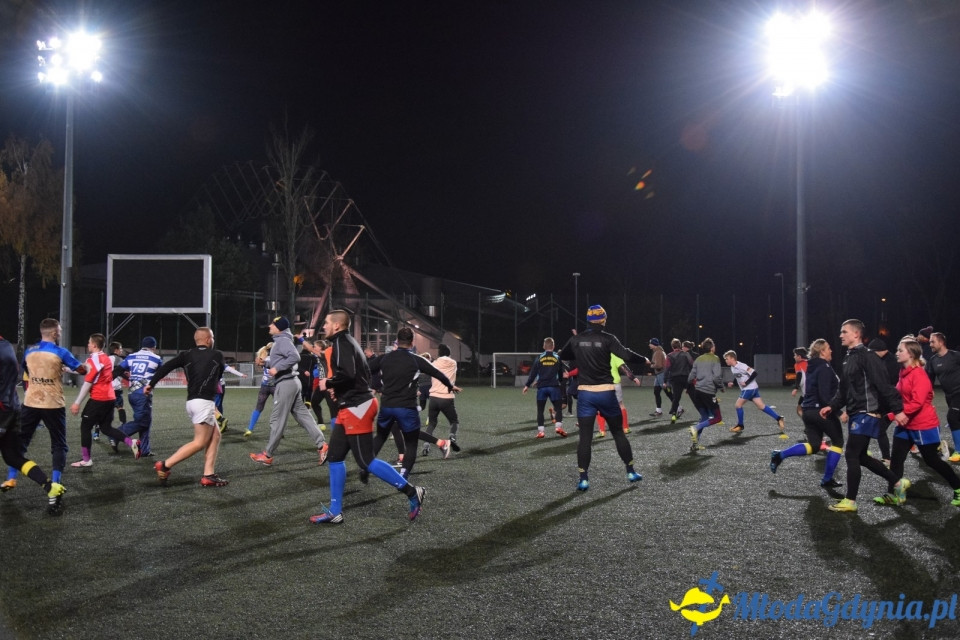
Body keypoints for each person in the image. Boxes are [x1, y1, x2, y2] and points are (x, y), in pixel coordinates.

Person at [310, 309, 425, 524]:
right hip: (350, 406)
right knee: (334, 457)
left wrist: (329, 383)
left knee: (366, 460)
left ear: (336, 325)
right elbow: (354, 374)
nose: (323, 326)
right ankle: (335, 511)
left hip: (358, 407)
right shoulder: (344, 342)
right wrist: (339, 388)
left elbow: (349, 374)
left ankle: (412, 491)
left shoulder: (342, 343)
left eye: (326, 323)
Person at [557, 305, 646, 491]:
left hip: (586, 395)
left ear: (588, 320)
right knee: (618, 433)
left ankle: (583, 479)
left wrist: (579, 352)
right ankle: (630, 471)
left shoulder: (577, 339)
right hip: (606, 393)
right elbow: (627, 355)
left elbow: (562, 355)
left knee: (585, 438)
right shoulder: (608, 338)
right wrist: (644, 359)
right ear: (603, 320)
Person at [820, 319, 905, 512]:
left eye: (844, 332)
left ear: (856, 334)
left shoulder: (868, 356)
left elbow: (884, 385)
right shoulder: (848, 357)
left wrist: (897, 410)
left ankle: (850, 501)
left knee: (851, 454)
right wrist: (831, 406)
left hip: (867, 412)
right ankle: (898, 483)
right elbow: (844, 389)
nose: (841, 335)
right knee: (861, 457)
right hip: (856, 412)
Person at [873, 337, 960, 507]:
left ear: (911, 354)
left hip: (923, 424)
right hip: (906, 424)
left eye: (900, 350)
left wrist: (893, 415)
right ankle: (895, 494)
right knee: (896, 460)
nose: (896, 353)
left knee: (932, 461)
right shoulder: (903, 373)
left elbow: (917, 402)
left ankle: (958, 487)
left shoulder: (919, 374)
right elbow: (899, 397)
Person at [3, 318, 86, 491]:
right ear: (55, 333)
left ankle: (11, 478)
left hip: (30, 402)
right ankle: (55, 482)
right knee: (58, 444)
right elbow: (81, 370)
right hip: (52, 404)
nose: (61, 332)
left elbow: (27, 370)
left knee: (20, 442)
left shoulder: (29, 351)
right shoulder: (61, 352)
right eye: (60, 330)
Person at [367, 327, 459, 480]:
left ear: (397, 340)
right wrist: (450, 386)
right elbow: (437, 373)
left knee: (383, 436)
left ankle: (367, 466)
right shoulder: (416, 359)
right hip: (405, 407)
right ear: (412, 342)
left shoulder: (385, 357)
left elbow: (366, 370)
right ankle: (405, 472)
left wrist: (372, 386)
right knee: (410, 439)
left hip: (388, 406)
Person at [145, 327, 228, 487]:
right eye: (212, 337)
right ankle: (165, 464)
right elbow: (219, 375)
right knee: (199, 442)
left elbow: (165, 368)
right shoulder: (217, 355)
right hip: (204, 402)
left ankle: (208, 474)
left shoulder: (186, 354)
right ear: (208, 339)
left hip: (192, 402)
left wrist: (151, 384)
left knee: (215, 435)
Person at [0, 333, 66, 514]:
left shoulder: (24, 351)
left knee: (16, 453)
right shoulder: (6, 346)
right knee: (12, 456)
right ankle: (49, 486)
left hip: (4, 409)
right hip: (14, 407)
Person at [249, 317, 328, 467]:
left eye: (273, 324)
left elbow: (295, 357)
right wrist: (266, 362)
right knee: (304, 417)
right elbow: (281, 359)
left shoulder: (282, 340)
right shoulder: (282, 340)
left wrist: (276, 369)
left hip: (285, 383)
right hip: (292, 382)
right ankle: (322, 445)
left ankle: (267, 455)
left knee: (276, 420)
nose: (270, 326)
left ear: (279, 327)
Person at [769, 339, 844, 488]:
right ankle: (827, 479)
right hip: (820, 411)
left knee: (814, 445)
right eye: (828, 348)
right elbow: (824, 395)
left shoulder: (813, 366)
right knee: (838, 442)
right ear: (822, 351)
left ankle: (780, 455)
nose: (831, 351)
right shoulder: (824, 367)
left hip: (808, 412)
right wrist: (838, 411)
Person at [69, 333, 141, 467]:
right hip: (110, 397)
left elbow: (88, 381)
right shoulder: (104, 358)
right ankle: (132, 443)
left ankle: (86, 460)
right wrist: (65, 369)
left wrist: (77, 402)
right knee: (106, 428)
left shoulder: (94, 359)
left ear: (94, 345)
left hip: (99, 398)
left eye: (89, 343)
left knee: (85, 426)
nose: (88, 344)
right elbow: (84, 370)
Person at [114, 336, 163, 458]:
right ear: (154, 347)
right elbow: (162, 372)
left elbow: (118, 370)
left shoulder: (131, 356)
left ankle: (145, 450)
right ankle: (115, 434)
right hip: (143, 393)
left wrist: (129, 378)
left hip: (132, 392)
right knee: (143, 422)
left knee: (147, 420)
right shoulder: (156, 359)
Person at [723, 350, 786, 437]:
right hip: (751, 389)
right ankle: (779, 418)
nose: (725, 360)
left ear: (732, 358)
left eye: (727, 359)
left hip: (749, 388)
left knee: (738, 405)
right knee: (761, 406)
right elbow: (738, 376)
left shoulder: (742, 366)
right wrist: (732, 382)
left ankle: (740, 425)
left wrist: (746, 382)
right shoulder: (732, 367)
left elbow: (754, 373)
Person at [522, 337, 568, 439]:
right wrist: (560, 381)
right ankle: (558, 427)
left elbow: (533, 373)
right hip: (554, 387)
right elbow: (560, 373)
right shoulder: (557, 357)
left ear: (544, 346)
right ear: (553, 346)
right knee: (558, 408)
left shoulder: (539, 358)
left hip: (542, 388)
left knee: (540, 411)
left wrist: (527, 385)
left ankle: (541, 432)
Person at [927, 331, 960, 463]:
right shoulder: (933, 360)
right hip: (949, 395)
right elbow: (929, 380)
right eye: (929, 342)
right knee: (957, 420)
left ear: (941, 342)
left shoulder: (955, 356)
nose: (930, 344)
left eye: (932, 341)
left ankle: (958, 450)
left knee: (952, 417)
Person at [687, 338, 724, 452]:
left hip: (697, 392)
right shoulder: (715, 358)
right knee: (718, 418)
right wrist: (721, 386)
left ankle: (694, 444)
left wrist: (693, 384)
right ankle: (695, 427)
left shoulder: (698, 359)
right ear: (712, 348)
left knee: (704, 417)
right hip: (708, 392)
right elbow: (717, 377)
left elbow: (690, 377)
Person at [422, 344, 460, 455]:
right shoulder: (453, 363)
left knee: (432, 423)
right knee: (454, 421)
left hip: (433, 397)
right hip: (446, 397)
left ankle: (426, 446)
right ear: (449, 354)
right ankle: (452, 438)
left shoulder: (434, 363)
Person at [867, 338, 899, 465]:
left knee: (880, 430)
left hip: (890, 404)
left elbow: (886, 387)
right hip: (888, 403)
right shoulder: (886, 360)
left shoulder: (889, 364)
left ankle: (887, 458)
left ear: (878, 351)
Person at [595, 354, 642, 437]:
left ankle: (602, 431)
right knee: (620, 405)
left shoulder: (597, 355)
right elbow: (623, 368)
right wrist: (633, 377)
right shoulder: (614, 355)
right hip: (615, 384)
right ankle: (625, 428)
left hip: (602, 384)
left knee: (600, 407)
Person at [244, 342, 275, 437]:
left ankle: (250, 428)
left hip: (264, 386)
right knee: (278, 409)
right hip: (276, 386)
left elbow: (259, 363)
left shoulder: (263, 358)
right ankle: (277, 431)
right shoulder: (276, 359)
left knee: (258, 407)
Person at [106, 341, 127, 440]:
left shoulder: (105, 359)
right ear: (116, 350)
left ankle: (96, 433)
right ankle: (124, 427)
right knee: (120, 407)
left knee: (103, 410)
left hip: (106, 388)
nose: (122, 350)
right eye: (121, 349)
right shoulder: (120, 360)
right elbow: (121, 372)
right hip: (116, 388)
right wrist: (130, 379)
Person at [665, 339, 689, 422]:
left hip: (676, 379)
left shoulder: (669, 356)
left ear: (672, 346)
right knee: (695, 396)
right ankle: (704, 413)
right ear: (680, 346)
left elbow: (667, 369)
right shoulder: (685, 354)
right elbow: (692, 364)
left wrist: (665, 381)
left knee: (676, 398)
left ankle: (674, 415)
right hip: (686, 378)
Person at [648, 338, 671, 417]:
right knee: (656, 392)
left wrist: (651, 365)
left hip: (661, 374)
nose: (649, 345)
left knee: (668, 393)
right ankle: (658, 411)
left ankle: (679, 408)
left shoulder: (658, 352)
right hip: (659, 374)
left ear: (653, 344)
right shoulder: (659, 351)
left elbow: (659, 365)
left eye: (650, 343)